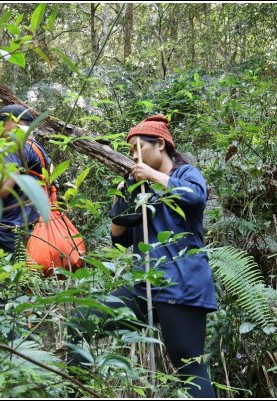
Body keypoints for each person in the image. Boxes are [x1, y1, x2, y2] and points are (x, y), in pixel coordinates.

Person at [67, 114, 218, 397]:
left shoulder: (185, 174)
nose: (134, 156)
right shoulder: (140, 186)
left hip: (181, 284)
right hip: (144, 286)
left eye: (139, 148)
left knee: (189, 366)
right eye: (130, 151)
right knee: (82, 322)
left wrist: (151, 177)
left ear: (159, 144)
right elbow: (119, 238)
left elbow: (196, 196)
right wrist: (120, 199)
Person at [0, 104, 51, 260]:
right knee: (26, 278)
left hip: (7, 230)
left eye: (0, 124)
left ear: (12, 122)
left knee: (4, 279)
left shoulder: (13, 145)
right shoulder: (38, 149)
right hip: (32, 229)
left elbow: (2, 188)